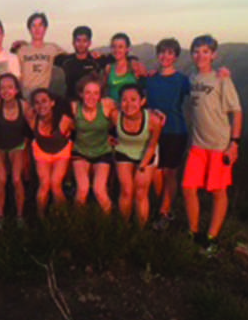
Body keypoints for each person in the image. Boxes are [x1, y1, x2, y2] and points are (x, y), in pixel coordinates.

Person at [182, 35, 242, 255]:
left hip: (219, 145)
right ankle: (193, 231)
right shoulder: (192, 78)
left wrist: (234, 144)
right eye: (196, 51)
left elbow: (237, 111)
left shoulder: (222, 79)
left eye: (205, 52)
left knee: (218, 191)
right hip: (197, 145)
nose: (200, 56)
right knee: (188, 188)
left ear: (214, 55)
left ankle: (212, 237)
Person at [144, 38, 190, 230]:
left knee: (170, 172)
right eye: (162, 52)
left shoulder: (182, 80)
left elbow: (203, 94)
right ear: (158, 54)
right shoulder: (150, 79)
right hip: (153, 131)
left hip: (175, 130)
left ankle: (164, 212)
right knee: (155, 171)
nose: (165, 56)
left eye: (170, 53)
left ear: (176, 57)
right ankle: (159, 204)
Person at [111, 84, 162, 227]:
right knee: (126, 190)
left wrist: (142, 165)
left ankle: (141, 229)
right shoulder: (115, 116)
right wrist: (109, 138)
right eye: (124, 100)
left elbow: (152, 145)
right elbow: (106, 127)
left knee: (141, 192)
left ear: (142, 101)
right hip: (124, 151)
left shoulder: (153, 120)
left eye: (134, 99)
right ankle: (124, 226)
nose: (129, 104)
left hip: (146, 153)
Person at [0, 73, 31, 230]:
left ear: (17, 89)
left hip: (17, 145)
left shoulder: (24, 105)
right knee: (1, 178)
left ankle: (20, 216)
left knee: (16, 179)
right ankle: (0, 216)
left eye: (10, 87)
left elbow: (33, 126)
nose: (6, 91)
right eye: (2, 88)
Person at [71, 73, 116, 213]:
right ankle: (75, 225)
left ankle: (110, 226)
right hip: (80, 152)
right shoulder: (74, 107)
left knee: (99, 190)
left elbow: (127, 114)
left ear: (100, 95)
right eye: (87, 93)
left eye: (96, 93)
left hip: (102, 152)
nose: (91, 97)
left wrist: (153, 113)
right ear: (80, 94)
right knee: (82, 189)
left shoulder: (107, 106)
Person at [27, 89, 74, 218]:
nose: (41, 106)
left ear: (52, 102)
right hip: (42, 152)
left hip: (61, 152)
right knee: (44, 184)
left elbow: (77, 131)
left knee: (55, 183)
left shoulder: (63, 120)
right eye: (37, 103)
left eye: (44, 101)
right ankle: (41, 219)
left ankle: (64, 217)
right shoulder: (32, 120)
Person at [16, 12, 65, 98]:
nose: (37, 29)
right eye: (33, 26)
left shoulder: (52, 48)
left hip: (43, 98)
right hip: (25, 96)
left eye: (40, 25)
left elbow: (73, 56)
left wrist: (93, 54)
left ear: (45, 28)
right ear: (29, 29)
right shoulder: (21, 50)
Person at [105, 33, 143, 102]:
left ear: (127, 49)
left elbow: (146, 88)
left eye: (120, 47)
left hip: (131, 109)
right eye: (114, 47)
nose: (116, 50)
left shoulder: (135, 66)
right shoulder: (109, 68)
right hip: (114, 110)